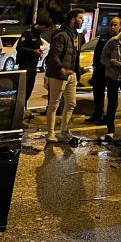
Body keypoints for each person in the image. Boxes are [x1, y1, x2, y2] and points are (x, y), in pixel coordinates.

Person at [44, 8, 85, 144]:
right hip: (58, 74)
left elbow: (76, 56)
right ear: (73, 19)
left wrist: (78, 71)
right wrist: (61, 68)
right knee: (54, 104)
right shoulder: (60, 35)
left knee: (71, 103)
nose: (82, 21)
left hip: (71, 74)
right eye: (80, 18)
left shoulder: (77, 36)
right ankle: (50, 133)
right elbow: (54, 55)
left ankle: (64, 131)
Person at [86, 16, 121, 124]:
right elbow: (97, 53)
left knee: (111, 95)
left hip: (112, 71)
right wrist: (95, 66)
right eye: (111, 24)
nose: (113, 27)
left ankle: (109, 117)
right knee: (98, 93)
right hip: (100, 69)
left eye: (115, 25)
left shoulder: (120, 39)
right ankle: (97, 114)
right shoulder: (103, 37)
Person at [16, 18, 51, 106]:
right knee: (23, 90)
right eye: (46, 28)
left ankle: (24, 107)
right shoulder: (28, 33)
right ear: (42, 26)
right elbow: (19, 47)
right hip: (25, 66)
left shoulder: (37, 35)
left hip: (33, 66)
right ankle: (20, 108)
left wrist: (39, 53)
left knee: (29, 89)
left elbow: (35, 46)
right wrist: (33, 51)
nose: (46, 31)